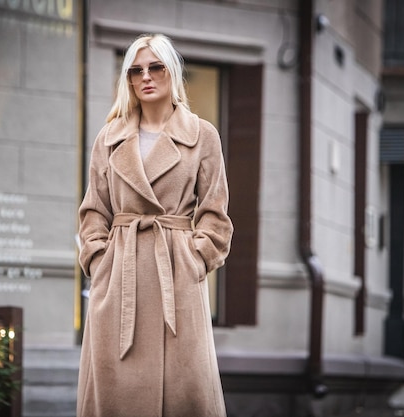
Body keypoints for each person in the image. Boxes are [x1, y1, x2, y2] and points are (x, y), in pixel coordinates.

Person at [77, 33, 234, 417]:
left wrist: (194, 259)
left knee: (183, 392)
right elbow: (93, 212)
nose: (145, 76)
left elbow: (215, 216)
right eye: (135, 70)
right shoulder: (109, 139)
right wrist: (100, 262)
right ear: (128, 80)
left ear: (172, 72)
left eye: (155, 67)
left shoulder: (201, 135)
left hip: (176, 279)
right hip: (119, 279)